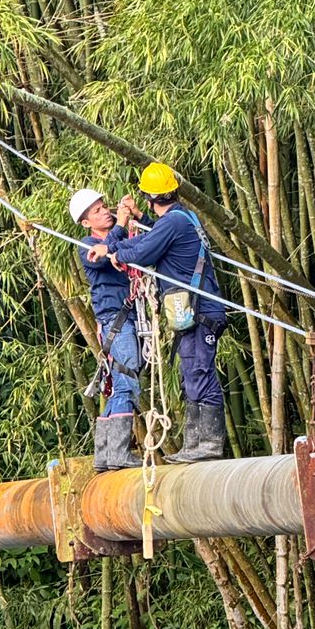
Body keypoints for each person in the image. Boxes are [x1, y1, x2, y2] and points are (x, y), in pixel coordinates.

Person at [86, 162, 226, 464]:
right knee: (192, 373)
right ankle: (194, 445)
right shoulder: (181, 217)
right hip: (192, 311)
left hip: (200, 310)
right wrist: (135, 223)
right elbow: (150, 238)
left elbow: (143, 252)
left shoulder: (173, 223)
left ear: (150, 197)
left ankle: (208, 444)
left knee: (198, 373)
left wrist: (112, 252)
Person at [70, 186, 143, 471]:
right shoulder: (88, 245)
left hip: (124, 315)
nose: (105, 211)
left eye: (104, 206)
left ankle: (104, 456)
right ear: (87, 222)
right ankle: (119, 453)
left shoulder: (118, 238)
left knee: (118, 384)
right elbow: (104, 254)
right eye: (97, 210)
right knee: (126, 378)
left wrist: (134, 215)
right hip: (117, 318)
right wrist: (122, 223)